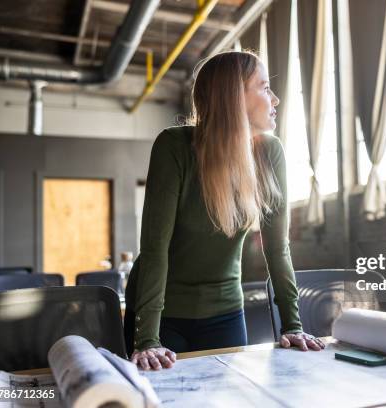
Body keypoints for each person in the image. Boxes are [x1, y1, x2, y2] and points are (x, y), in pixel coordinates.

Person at [124, 51, 325, 371]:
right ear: (234, 97)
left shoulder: (270, 152)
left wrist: (293, 326)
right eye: (263, 87)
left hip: (226, 312)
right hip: (162, 316)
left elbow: (277, 248)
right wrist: (147, 341)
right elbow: (154, 249)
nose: (275, 99)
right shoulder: (173, 146)